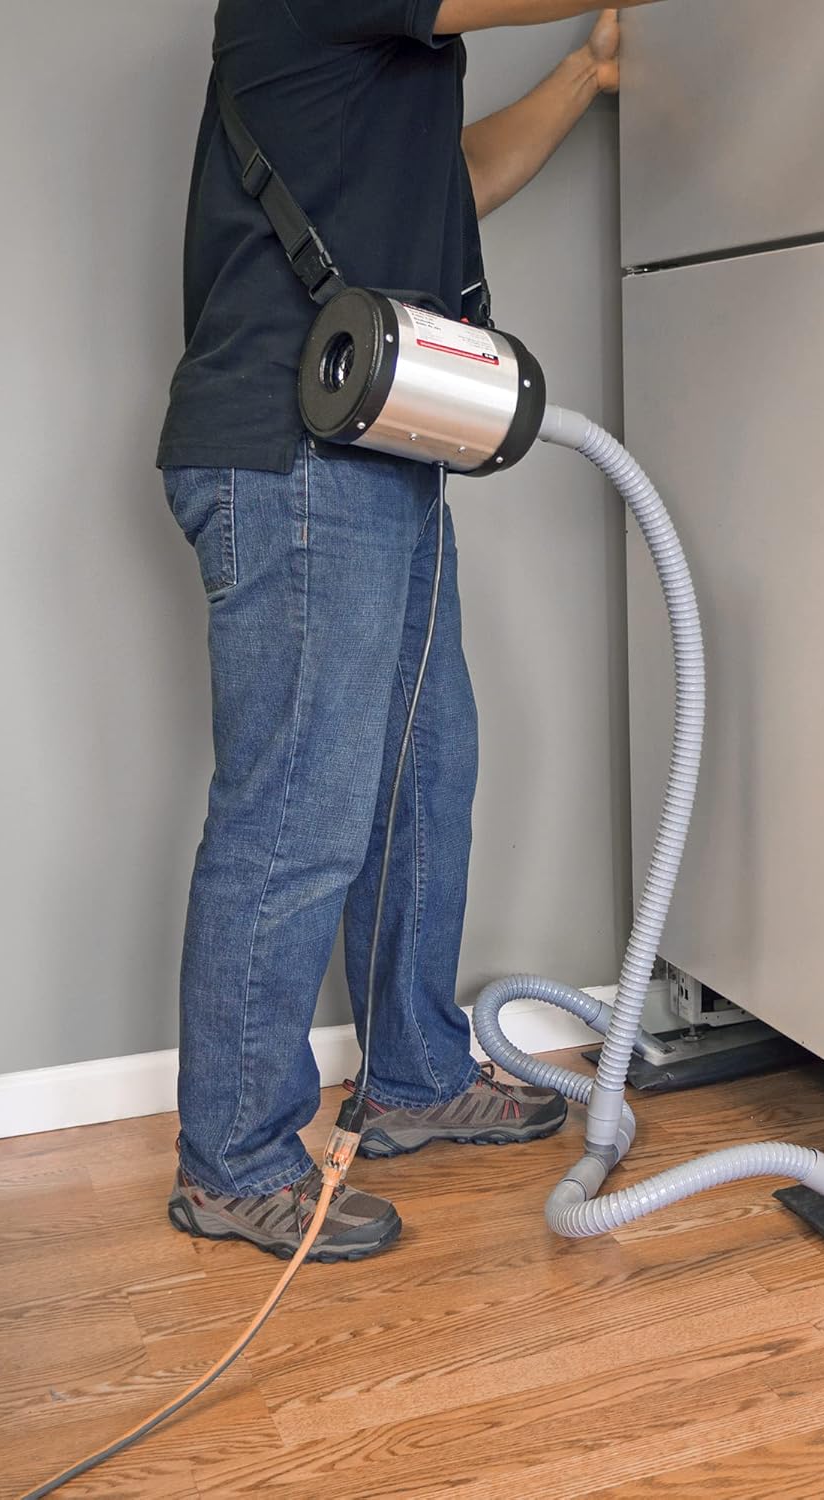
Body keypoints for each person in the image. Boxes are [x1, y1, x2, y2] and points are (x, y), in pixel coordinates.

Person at [158, 0, 652, 1262]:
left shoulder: (387, 64)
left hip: (385, 441)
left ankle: (413, 1080)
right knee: (297, 814)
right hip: (292, 452)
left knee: (424, 780)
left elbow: (459, 179)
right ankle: (233, 1163)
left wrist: (585, 74)